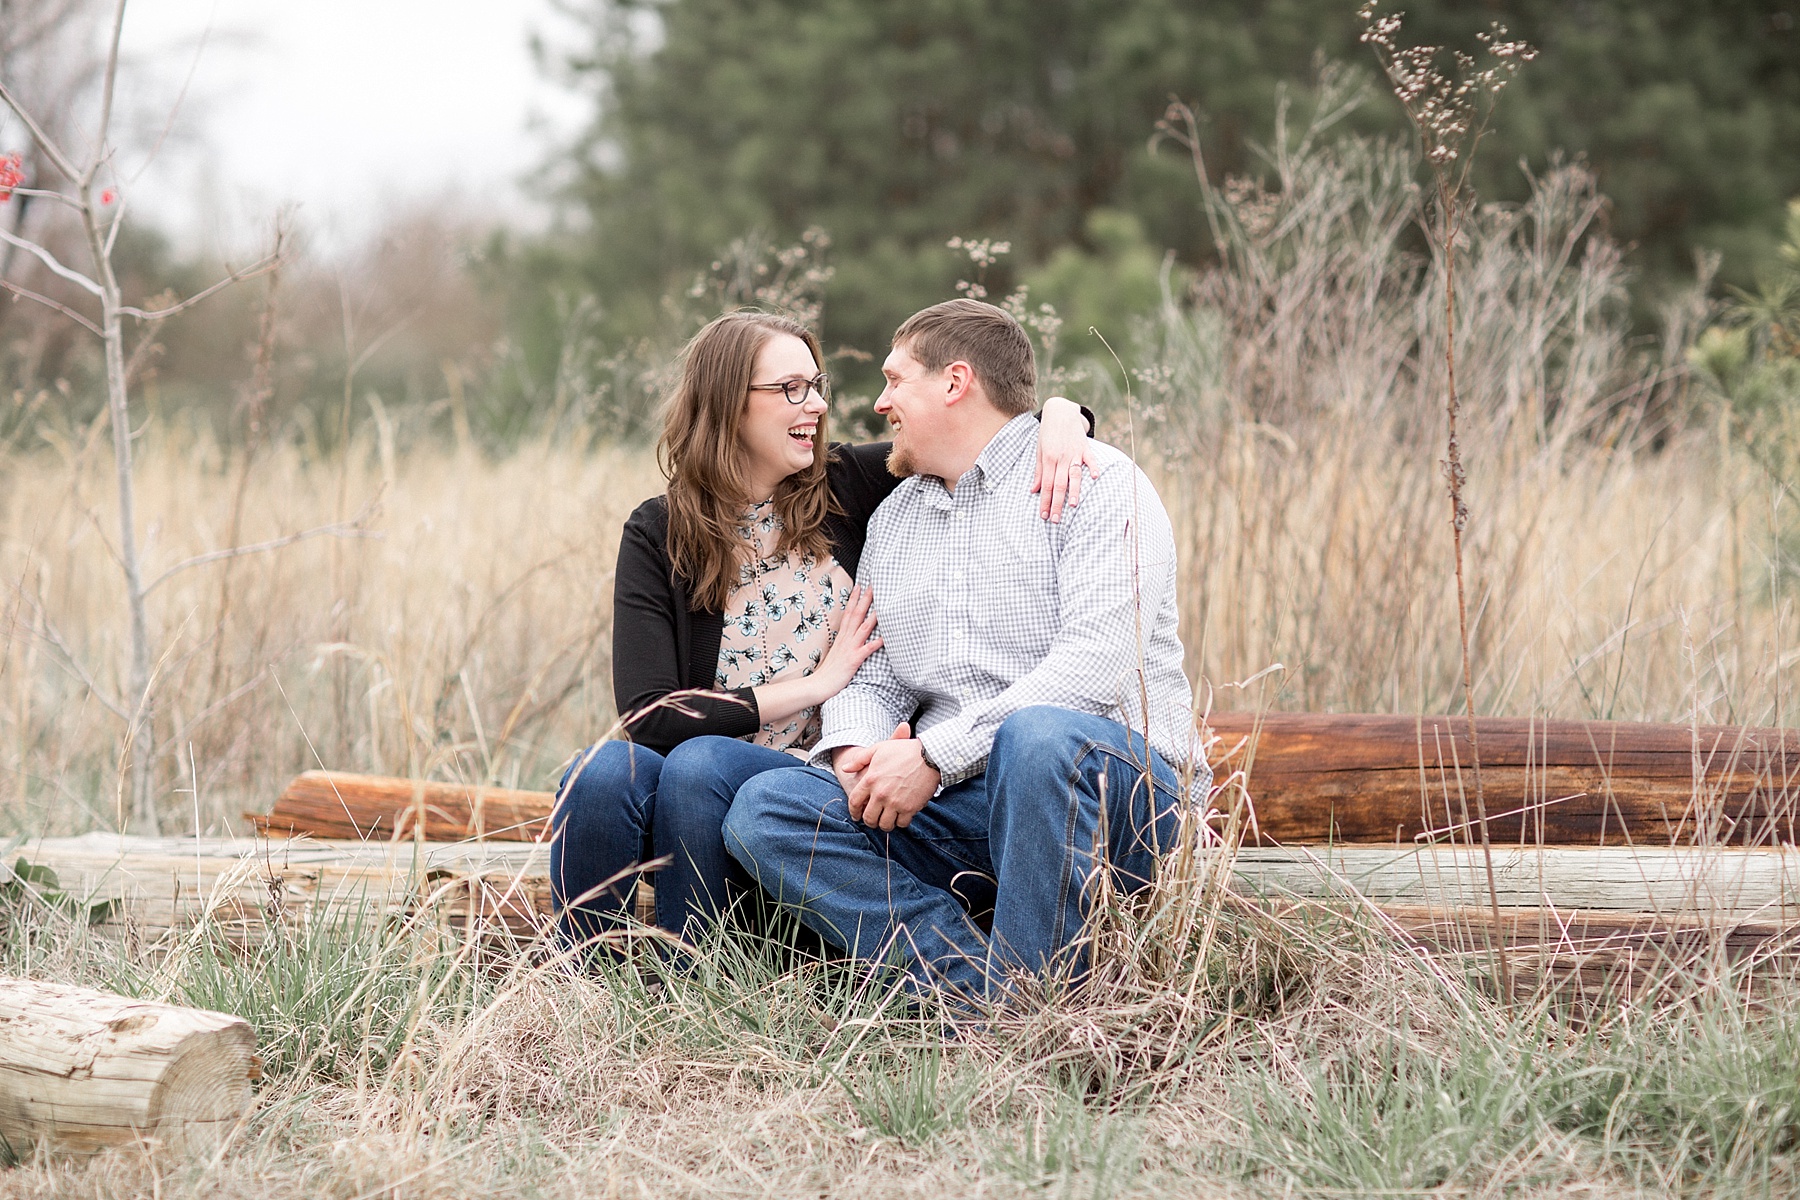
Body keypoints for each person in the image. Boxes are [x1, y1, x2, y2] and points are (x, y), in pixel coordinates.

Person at [551, 309, 1096, 949]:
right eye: (790, 389)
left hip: (821, 778)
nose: (813, 405)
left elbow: (982, 428)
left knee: (699, 764)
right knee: (602, 770)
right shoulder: (659, 531)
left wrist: (1061, 415)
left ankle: (701, 974)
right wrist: (818, 684)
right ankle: (581, 984)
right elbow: (650, 715)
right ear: (728, 402)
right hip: (695, 791)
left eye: (816, 386)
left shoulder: (848, 485)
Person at [722, 299, 1209, 1003]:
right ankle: (975, 995)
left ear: (955, 382)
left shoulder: (1098, 484)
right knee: (769, 807)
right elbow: (876, 672)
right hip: (967, 804)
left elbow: (1097, 665)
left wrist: (932, 756)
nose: (880, 402)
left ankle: (1037, 1010)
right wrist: (858, 754)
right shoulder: (896, 519)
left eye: (896, 380)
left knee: (1037, 739)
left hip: (1121, 802)